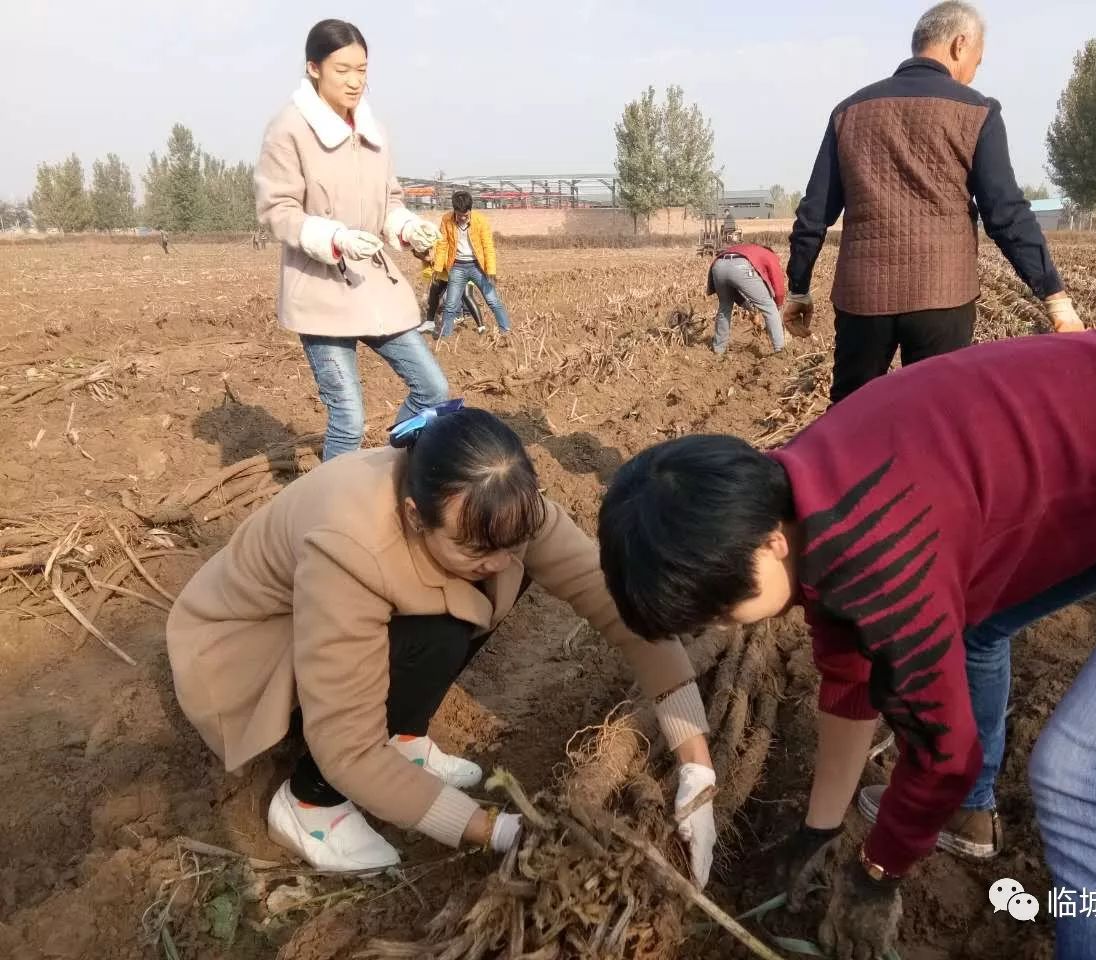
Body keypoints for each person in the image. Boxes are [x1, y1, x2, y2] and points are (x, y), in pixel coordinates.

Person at [597, 330, 1096, 960]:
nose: (722, 626)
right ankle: (971, 822)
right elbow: (851, 673)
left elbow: (944, 754)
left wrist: (878, 873)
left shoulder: (880, 554)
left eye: (720, 608)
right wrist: (820, 828)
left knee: (1088, 777)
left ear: (770, 543)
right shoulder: (803, 487)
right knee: (973, 630)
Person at [167, 406, 717, 877]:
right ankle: (310, 802)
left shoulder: (503, 511)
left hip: (339, 621)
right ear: (414, 516)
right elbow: (344, 743)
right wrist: (496, 832)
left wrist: (697, 766)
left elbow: (621, 610)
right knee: (435, 620)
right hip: (245, 652)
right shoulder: (350, 547)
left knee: (467, 593)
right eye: (478, 548)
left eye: (515, 542)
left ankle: (402, 738)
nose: (501, 561)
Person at [783, 1, 1084, 404]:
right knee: (938, 418)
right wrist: (1053, 295)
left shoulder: (849, 111)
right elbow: (1006, 213)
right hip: (942, 295)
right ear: (960, 45)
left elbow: (815, 211)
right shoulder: (977, 111)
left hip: (863, 298)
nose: (974, 72)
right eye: (977, 60)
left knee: (850, 419)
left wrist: (799, 286)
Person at [255, 19, 448, 462]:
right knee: (348, 418)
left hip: (374, 285)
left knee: (432, 389)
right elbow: (278, 210)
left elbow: (389, 202)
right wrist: (335, 238)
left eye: (362, 69)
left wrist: (407, 227)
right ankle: (330, 508)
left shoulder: (373, 131)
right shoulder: (289, 130)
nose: (356, 81)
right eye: (343, 69)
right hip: (321, 291)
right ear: (313, 68)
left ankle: (391, 469)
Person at [434, 191, 512, 339]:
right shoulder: (446, 220)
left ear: (470, 210)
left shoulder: (480, 221)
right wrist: (438, 269)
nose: (463, 218)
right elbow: (442, 244)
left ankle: (506, 332)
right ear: (454, 210)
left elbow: (487, 246)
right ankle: (445, 338)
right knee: (450, 305)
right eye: (459, 214)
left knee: (493, 301)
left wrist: (491, 270)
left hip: (477, 266)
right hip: (457, 266)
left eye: (465, 215)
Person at [706, 242, 787, 355]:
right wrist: (778, 304)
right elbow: (777, 284)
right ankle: (780, 351)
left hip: (718, 265)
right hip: (740, 266)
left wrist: (748, 307)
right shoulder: (769, 255)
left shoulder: (748, 249)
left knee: (724, 307)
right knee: (769, 307)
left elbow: (734, 291)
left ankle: (718, 349)